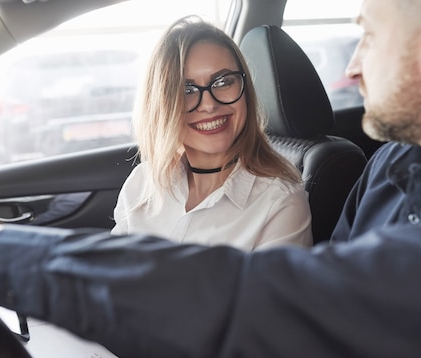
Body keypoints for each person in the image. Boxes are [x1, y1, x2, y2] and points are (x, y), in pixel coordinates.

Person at [0, 0, 421, 356]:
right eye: (187, 92)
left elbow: (276, 300)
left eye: (369, 37)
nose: (351, 68)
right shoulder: (389, 167)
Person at [110, 16, 312, 250]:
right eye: (187, 89)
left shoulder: (279, 202)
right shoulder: (141, 183)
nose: (208, 105)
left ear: (245, 90)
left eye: (223, 82)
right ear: (162, 104)